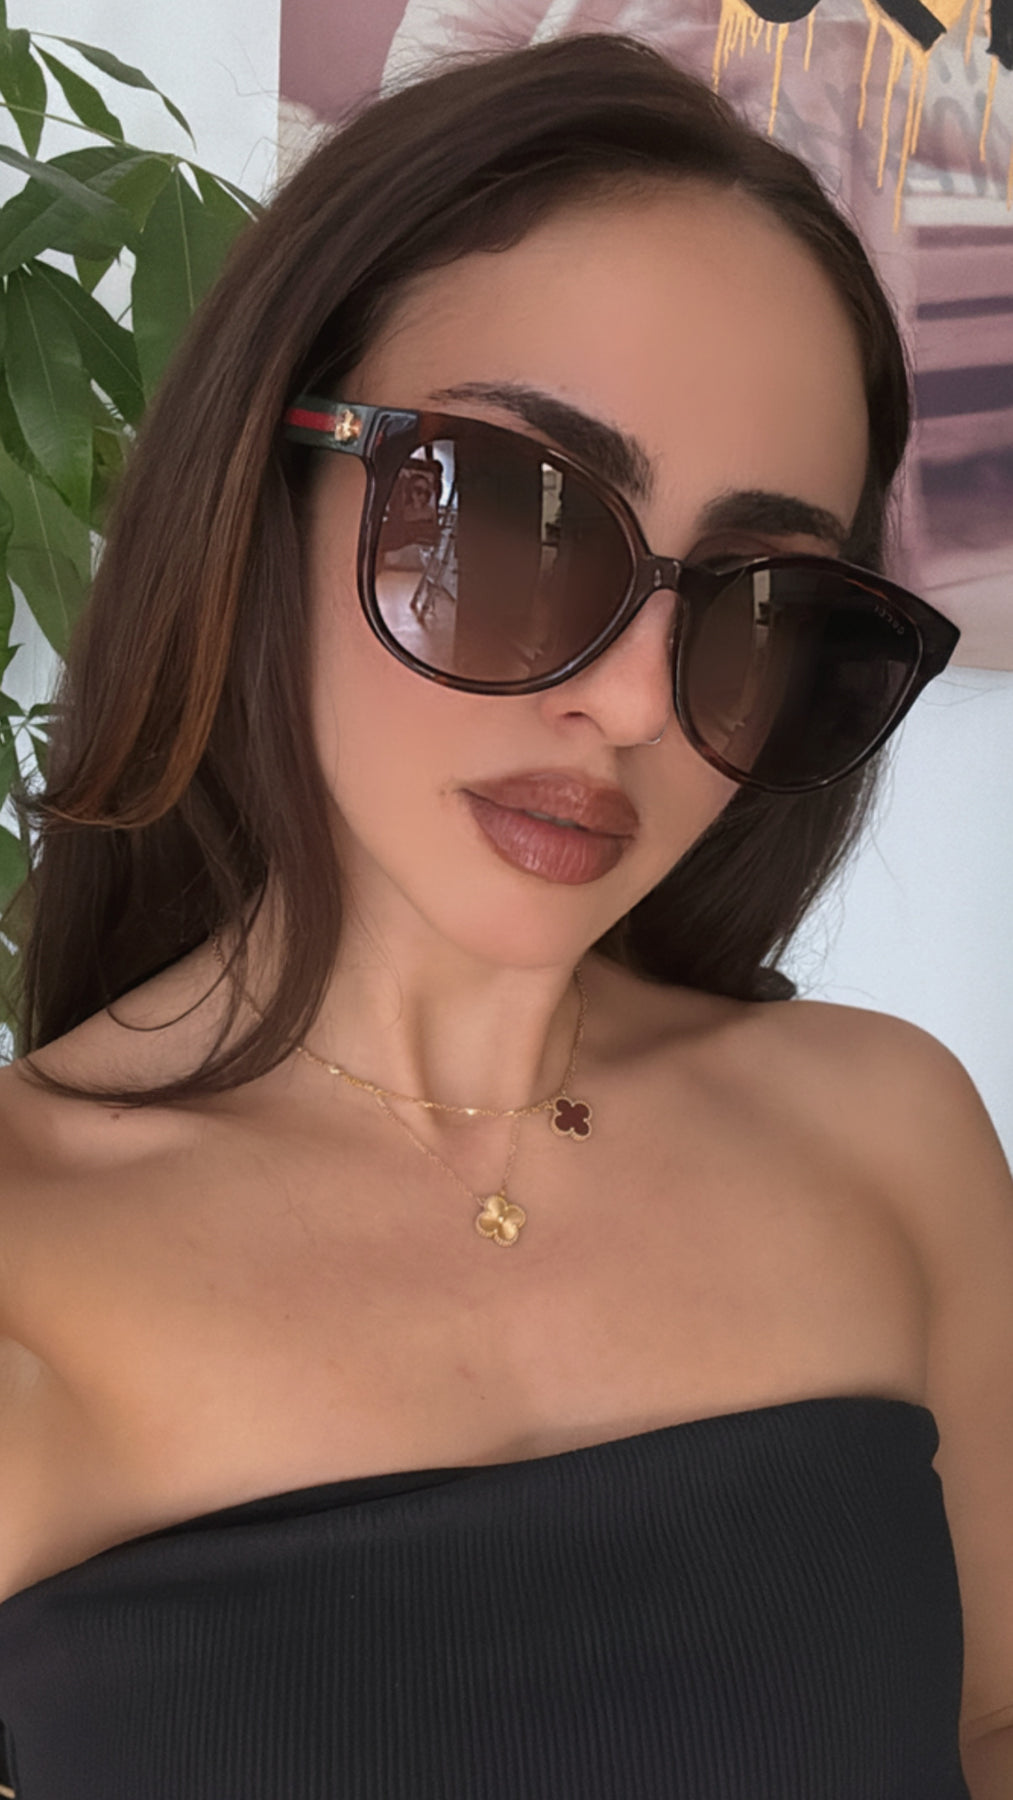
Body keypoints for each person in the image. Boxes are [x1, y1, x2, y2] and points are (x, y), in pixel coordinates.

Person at [0, 30, 1010, 1800]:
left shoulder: (887, 1133)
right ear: (263, 490)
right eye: (511, 514)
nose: (628, 702)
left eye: (756, 601)